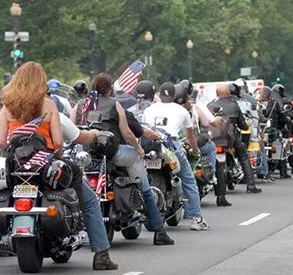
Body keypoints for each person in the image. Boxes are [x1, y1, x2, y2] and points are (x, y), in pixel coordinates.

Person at [0, 62, 118, 270]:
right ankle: (101, 255)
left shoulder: (7, 106)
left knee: (6, 196)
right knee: (89, 201)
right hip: (45, 167)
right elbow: (59, 142)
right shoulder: (48, 105)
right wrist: (56, 155)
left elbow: (1, 141)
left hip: (15, 166)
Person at [79, 73, 175, 244]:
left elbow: (74, 130)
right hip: (111, 152)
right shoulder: (114, 104)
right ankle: (159, 231)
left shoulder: (81, 105)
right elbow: (127, 133)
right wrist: (138, 149)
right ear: (110, 89)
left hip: (86, 155)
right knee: (143, 182)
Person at [143, 82, 210, 230]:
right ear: (174, 96)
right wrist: (195, 149)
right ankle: (196, 219)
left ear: (159, 95)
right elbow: (190, 135)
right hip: (171, 145)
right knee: (188, 179)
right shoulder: (182, 110)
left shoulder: (149, 110)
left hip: (150, 146)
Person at [175, 85, 228, 206]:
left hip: (173, 144)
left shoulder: (165, 108)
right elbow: (206, 123)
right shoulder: (195, 108)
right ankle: (211, 177)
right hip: (191, 143)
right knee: (211, 149)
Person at [208, 84, 262, 193]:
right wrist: (248, 124)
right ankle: (251, 185)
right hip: (230, 138)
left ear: (217, 94)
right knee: (244, 156)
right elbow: (243, 125)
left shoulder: (209, 106)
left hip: (214, 138)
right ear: (228, 93)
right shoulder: (234, 106)